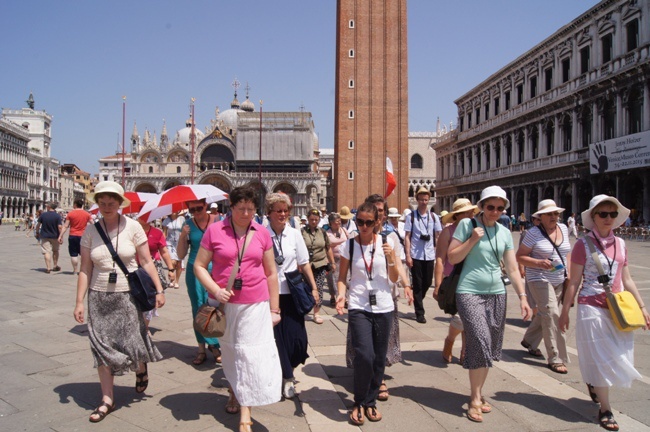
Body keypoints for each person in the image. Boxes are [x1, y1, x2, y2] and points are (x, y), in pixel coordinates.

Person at [73, 181, 165, 423]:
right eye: (101, 203)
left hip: (128, 294)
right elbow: (84, 268)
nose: (106, 207)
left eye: (111, 202)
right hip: (99, 296)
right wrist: (79, 302)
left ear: (119, 203)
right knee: (100, 346)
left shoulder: (133, 227)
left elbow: (146, 261)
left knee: (133, 340)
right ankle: (107, 399)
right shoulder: (91, 231)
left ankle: (141, 365)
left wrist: (158, 290)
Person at [194, 186, 281, 432]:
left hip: (256, 303)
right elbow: (199, 266)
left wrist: (276, 309)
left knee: (251, 354)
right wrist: (216, 289)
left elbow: (272, 273)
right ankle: (234, 390)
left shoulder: (262, 233)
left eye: (250, 209)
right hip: (224, 303)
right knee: (231, 351)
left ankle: (246, 411)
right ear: (230, 207)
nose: (245, 213)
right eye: (240, 208)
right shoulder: (215, 230)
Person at [559, 195, 650, 431]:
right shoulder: (582, 244)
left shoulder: (621, 244)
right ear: (593, 217)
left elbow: (627, 279)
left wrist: (642, 307)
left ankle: (593, 383)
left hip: (617, 308)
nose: (608, 218)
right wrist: (565, 311)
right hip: (591, 306)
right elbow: (574, 281)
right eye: (603, 214)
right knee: (601, 358)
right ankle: (606, 409)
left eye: (612, 214)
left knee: (617, 354)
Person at [447, 185, 532, 423]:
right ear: (481, 206)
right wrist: (473, 240)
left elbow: (513, 268)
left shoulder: (505, 232)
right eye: (490, 207)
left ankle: (478, 393)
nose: (495, 212)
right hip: (469, 292)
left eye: (499, 208)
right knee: (481, 341)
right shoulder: (467, 225)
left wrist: (523, 297)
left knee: (489, 346)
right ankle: (474, 398)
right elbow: (452, 257)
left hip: (497, 293)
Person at [336, 201, 400, 425]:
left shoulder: (387, 243)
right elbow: (342, 278)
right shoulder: (350, 246)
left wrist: (391, 258)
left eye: (368, 222)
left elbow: (395, 278)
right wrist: (341, 295)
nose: (363, 226)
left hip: (384, 306)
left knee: (379, 358)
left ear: (378, 222)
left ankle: (370, 402)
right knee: (364, 355)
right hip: (358, 305)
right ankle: (358, 401)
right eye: (359, 221)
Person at [265, 192, 318, 399]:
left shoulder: (295, 234)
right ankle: (286, 377)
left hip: (293, 293)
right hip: (269, 295)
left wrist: (313, 288)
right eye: (278, 211)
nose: (283, 214)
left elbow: (304, 263)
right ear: (269, 213)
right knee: (277, 339)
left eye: (286, 210)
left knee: (297, 340)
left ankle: (288, 368)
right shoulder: (261, 233)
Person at [516, 200, 571, 374]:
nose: (553, 217)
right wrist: (538, 262)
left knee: (544, 312)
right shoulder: (533, 233)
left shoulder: (563, 229)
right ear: (540, 216)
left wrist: (569, 275)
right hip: (538, 278)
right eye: (549, 214)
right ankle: (555, 357)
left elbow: (566, 253)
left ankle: (530, 340)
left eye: (556, 213)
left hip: (559, 278)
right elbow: (520, 256)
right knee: (552, 314)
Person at [433, 198, 478, 364]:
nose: (470, 215)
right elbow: (439, 259)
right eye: (466, 212)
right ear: (457, 215)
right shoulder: (448, 232)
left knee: (470, 318)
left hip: (473, 279)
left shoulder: (476, 230)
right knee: (460, 318)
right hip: (453, 280)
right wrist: (438, 284)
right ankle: (450, 340)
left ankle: (466, 350)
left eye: (471, 212)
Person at [177, 200, 221, 365]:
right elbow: (181, 254)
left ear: (206, 206)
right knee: (198, 307)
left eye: (199, 208)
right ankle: (202, 348)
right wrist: (183, 236)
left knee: (214, 307)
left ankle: (215, 344)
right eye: (192, 209)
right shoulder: (187, 224)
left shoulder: (218, 221)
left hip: (215, 269)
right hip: (194, 269)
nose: (195, 211)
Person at [404, 187, 442, 323]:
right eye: (421, 200)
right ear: (417, 200)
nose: (424, 202)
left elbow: (438, 235)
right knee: (418, 283)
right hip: (416, 254)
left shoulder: (434, 217)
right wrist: (408, 255)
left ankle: (417, 296)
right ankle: (420, 312)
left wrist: (439, 253)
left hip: (429, 254)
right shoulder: (411, 217)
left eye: (426, 200)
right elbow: (407, 236)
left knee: (426, 282)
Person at [137, 217, 175, 333]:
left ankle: (145, 326)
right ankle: (138, 323)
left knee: (150, 297)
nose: (145, 219)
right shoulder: (132, 231)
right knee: (136, 297)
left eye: (148, 216)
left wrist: (171, 269)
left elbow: (164, 251)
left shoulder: (157, 233)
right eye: (143, 216)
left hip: (153, 268)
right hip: (135, 268)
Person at [302, 208, 336, 324]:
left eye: (316, 220)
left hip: (320, 264)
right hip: (306, 265)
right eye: (312, 219)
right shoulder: (302, 232)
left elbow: (328, 248)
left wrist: (332, 262)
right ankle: (305, 309)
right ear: (307, 219)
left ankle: (316, 313)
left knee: (319, 288)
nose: (314, 222)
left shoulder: (322, 232)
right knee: (306, 289)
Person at [519, 216, 544, 357]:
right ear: (534, 220)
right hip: (534, 276)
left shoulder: (559, 231)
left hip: (553, 278)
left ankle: (530, 340)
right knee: (539, 310)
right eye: (539, 220)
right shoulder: (528, 233)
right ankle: (534, 345)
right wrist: (521, 267)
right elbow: (521, 253)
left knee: (545, 313)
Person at [58, 199, 92, 275]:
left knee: (73, 254)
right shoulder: (86, 214)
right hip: (83, 236)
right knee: (83, 254)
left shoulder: (70, 214)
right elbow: (93, 223)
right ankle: (82, 270)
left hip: (73, 235)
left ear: (75, 204)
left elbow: (65, 226)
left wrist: (60, 236)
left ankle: (75, 270)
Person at [326, 212, 350, 306]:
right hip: (333, 259)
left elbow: (350, 240)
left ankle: (346, 298)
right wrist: (343, 241)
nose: (338, 223)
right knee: (333, 279)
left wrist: (337, 242)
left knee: (347, 279)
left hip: (344, 258)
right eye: (336, 222)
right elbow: (331, 242)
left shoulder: (344, 230)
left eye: (339, 221)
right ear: (331, 223)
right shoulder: (328, 232)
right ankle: (334, 296)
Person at [35, 201, 63, 273]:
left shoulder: (43, 215)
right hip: (55, 236)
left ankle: (48, 268)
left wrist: (37, 232)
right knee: (55, 250)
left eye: (47, 206)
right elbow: (60, 227)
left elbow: (38, 225)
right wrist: (61, 236)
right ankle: (55, 266)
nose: (46, 207)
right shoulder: (57, 216)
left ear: (49, 207)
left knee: (46, 252)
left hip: (44, 236)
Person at [162, 212, 184, 288]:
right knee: (172, 262)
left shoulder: (181, 219)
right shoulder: (166, 220)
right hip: (169, 243)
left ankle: (177, 281)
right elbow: (164, 233)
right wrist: (162, 243)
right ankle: (171, 280)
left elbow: (184, 230)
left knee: (179, 263)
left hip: (179, 243)